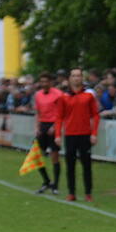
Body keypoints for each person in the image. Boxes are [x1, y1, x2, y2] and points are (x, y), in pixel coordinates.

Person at [58, 68, 99, 203]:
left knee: (86, 165)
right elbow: (59, 117)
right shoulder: (64, 97)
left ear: (82, 78)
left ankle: (88, 193)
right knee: (70, 165)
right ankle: (71, 192)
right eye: (74, 76)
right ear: (69, 78)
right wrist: (58, 135)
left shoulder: (88, 96)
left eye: (78, 76)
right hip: (70, 135)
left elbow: (95, 115)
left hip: (85, 134)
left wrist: (94, 133)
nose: (76, 78)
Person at [32, 72, 63, 194]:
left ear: (51, 82)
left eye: (46, 81)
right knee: (36, 156)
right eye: (42, 81)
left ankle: (55, 185)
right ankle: (46, 181)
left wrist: (55, 126)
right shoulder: (38, 95)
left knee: (54, 156)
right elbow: (37, 112)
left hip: (53, 125)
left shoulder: (58, 94)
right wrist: (37, 127)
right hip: (42, 126)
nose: (44, 84)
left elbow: (62, 113)